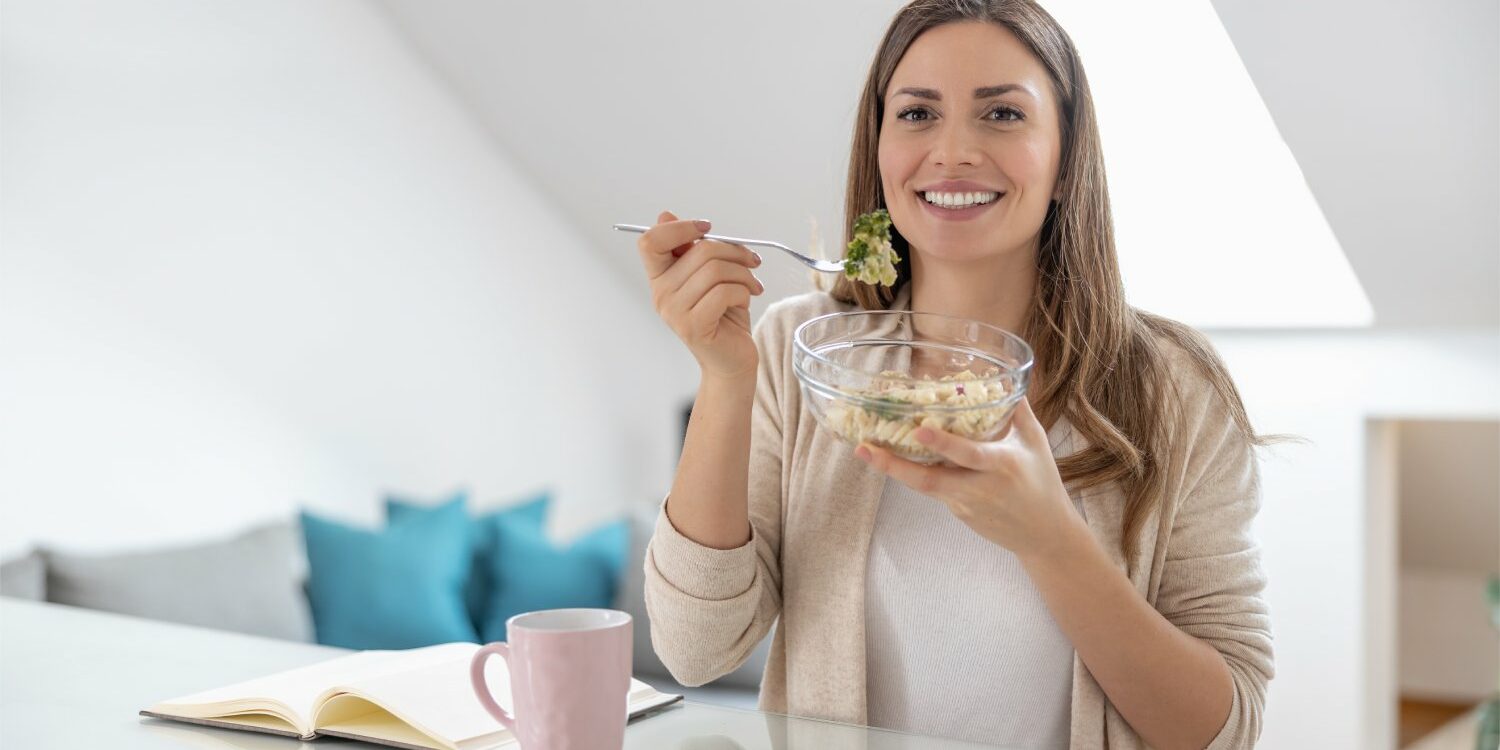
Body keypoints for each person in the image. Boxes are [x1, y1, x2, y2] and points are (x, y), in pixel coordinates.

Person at [631, 1, 1273, 748]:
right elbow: (695, 650)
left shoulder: (1176, 388)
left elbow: (1225, 732)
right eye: (917, 114)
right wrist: (724, 376)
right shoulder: (796, 349)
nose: (953, 152)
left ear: (1067, 160)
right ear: (880, 150)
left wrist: (1051, 541)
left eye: (1001, 114)